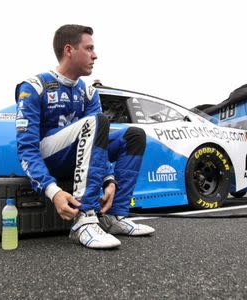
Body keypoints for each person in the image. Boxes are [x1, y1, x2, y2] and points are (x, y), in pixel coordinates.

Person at [15, 24, 154, 249]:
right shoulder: (34, 86)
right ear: (69, 50)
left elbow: (98, 139)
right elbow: (26, 150)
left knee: (134, 135)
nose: (95, 55)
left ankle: (114, 216)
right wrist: (54, 192)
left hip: (82, 157)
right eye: (89, 48)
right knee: (96, 121)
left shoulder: (89, 92)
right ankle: (84, 220)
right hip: (50, 159)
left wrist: (109, 180)